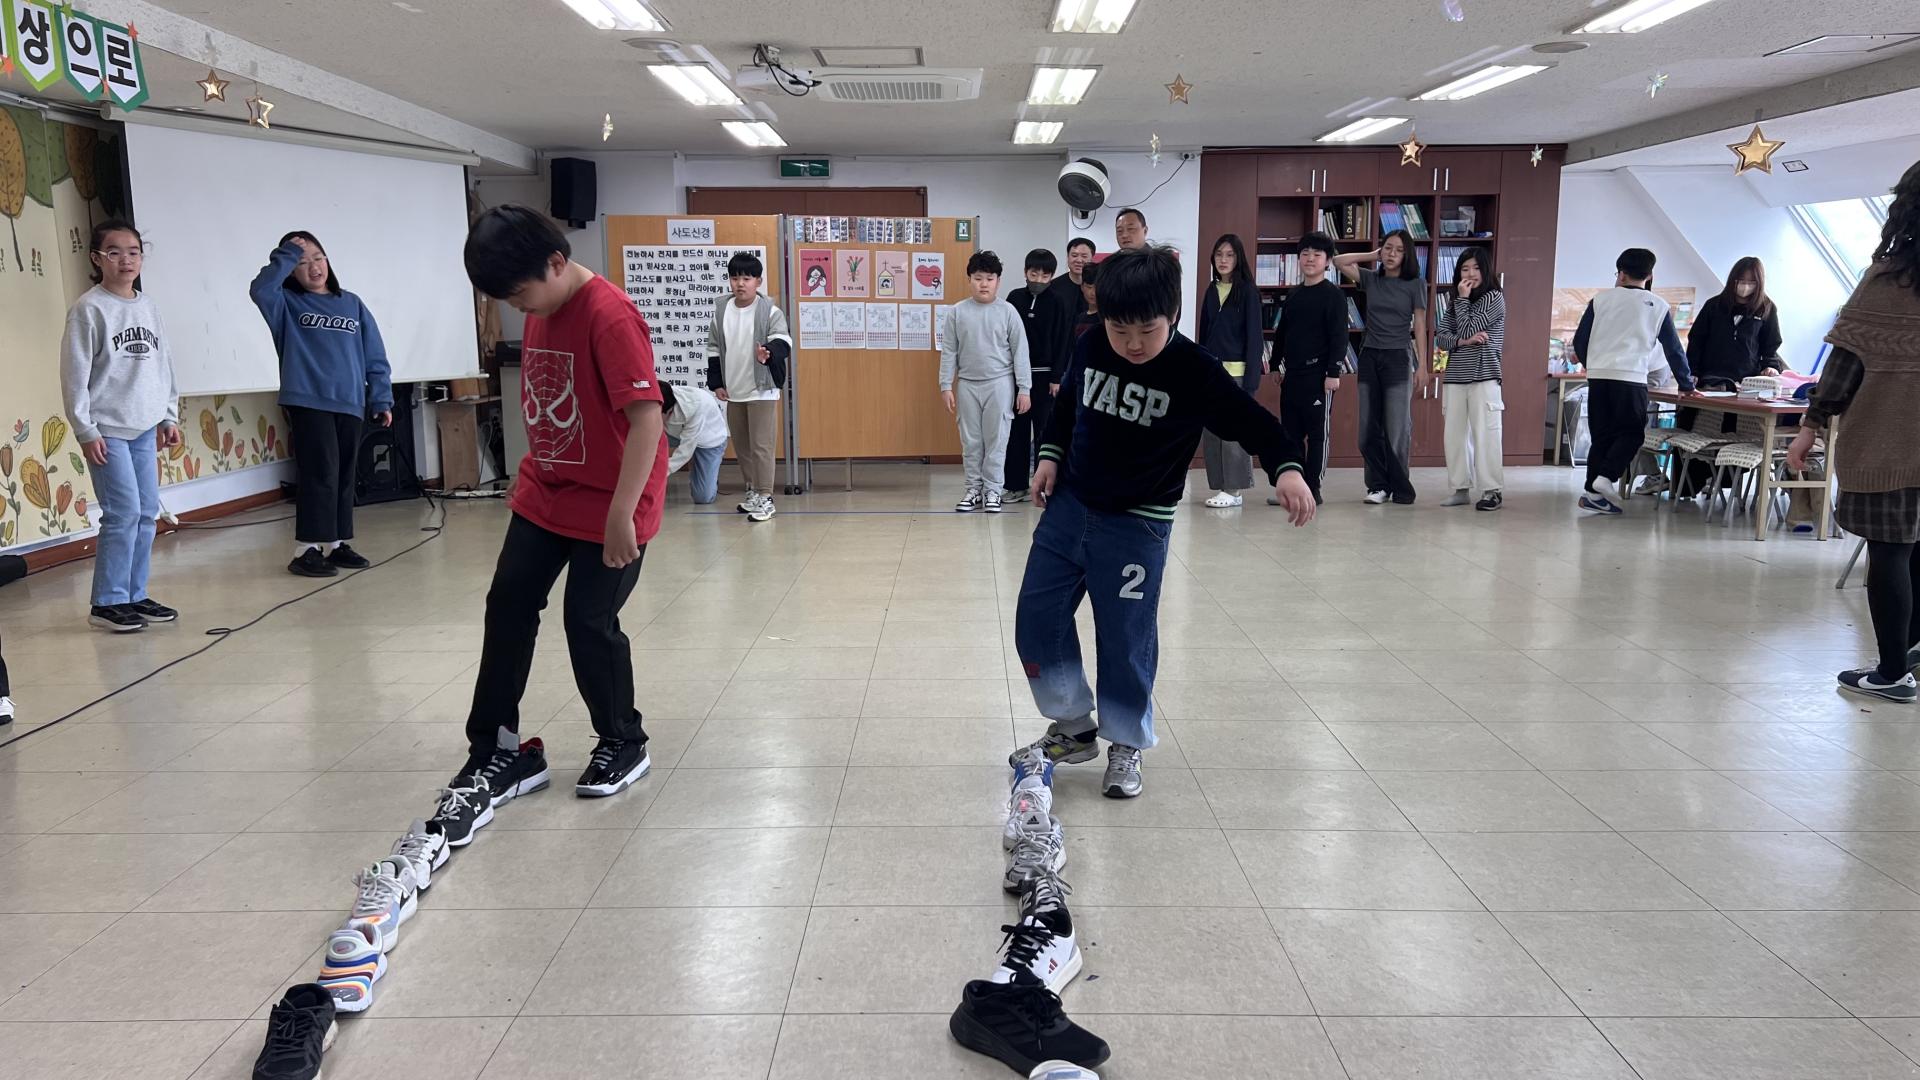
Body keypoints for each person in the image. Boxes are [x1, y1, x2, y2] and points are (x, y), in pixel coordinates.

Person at [1011, 244, 1315, 799]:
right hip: (1069, 509)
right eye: (1119, 329)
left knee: (1125, 638)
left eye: (1146, 331)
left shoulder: (1195, 370)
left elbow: (1252, 421)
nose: (1132, 344)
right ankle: (1074, 727)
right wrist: (1050, 456)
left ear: (1172, 314)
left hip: (1137, 526)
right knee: (1036, 618)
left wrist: (1287, 468)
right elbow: (1068, 407)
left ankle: (1126, 740)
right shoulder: (1091, 344)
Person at [438, 205, 667, 836]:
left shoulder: (609, 315)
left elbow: (647, 420)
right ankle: (498, 748)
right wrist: (532, 468)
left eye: (519, 294)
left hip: (613, 500)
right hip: (549, 491)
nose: (518, 308)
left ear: (557, 263)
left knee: (587, 620)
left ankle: (623, 740)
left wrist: (622, 514)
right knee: (508, 604)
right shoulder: (541, 304)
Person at [1786, 161, 1920, 703]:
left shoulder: (1887, 282)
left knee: (1890, 553)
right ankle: (1910, 651)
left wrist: (1811, 426)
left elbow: (1844, 366)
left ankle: (1892, 673)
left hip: (1889, 442)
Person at [60, 220, 183, 633]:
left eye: (133, 252)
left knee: (146, 512)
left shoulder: (149, 307)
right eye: (114, 252)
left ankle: (134, 593)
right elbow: (74, 375)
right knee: (123, 512)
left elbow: (164, 365)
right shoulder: (89, 309)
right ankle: (107, 602)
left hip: (145, 425)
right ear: (97, 259)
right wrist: (85, 429)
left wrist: (168, 414)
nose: (126, 260)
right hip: (107, 429)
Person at [250, 231, 393, 578]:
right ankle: (307, 549)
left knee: (343, 474)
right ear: (290, 270)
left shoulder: (352, 303)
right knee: (320, 472)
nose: (313, 267)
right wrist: (287, 253)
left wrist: (381, 397)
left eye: (318, 258)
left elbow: (374, 355)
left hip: (350, 402)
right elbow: (260, 289)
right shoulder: (286, 303)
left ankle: (336, 543)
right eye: (302, 262)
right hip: (308, 399)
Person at [1569, 247, 1700, 515]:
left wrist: (1592, 365)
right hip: (1631, 378)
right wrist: (1687, 385)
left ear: (1621, 273)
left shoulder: (1600, 300)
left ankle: (1593, 494)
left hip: (1599, 377)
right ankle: (1606, 476)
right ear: (1649, 276)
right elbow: (1674, 350)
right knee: (1632, 433)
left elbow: (1580, 341)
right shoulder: (1657, 305)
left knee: (1602, 436)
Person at [1335, 230, 1426, 505]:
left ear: (1407, 255)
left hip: (1398, 358)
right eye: (1387, 248)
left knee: (1397, 427)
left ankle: (1400, 487)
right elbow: (1338, 261)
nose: (1391, 254)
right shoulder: (1371, 279)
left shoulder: (1415, 284)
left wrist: (1423, 366)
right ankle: (1377, 486)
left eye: (1398, 250)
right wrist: (1371, 255)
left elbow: (1420, 325)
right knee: (1367, 428)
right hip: (1370, 356)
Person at [939, 250, 1032, 513]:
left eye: (989, 279)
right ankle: (973, 489)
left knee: (997, 440)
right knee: (971, 442)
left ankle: (993, 490)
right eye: (978, 278)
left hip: (999, 383)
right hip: (967, 384)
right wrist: (945, 385)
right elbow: (949, 351)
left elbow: (1020, 351)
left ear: (998, 281)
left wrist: (1024, 388)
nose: (984, 284)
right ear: (969, 279)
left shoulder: (1008, 312)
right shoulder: (957, 312)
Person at [705, 251, 792, 523]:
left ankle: (766, 497)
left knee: (761, 446)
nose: (740, 283)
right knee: (742, 446)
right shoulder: (721, 311)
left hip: (762, 389)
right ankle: (753, 491)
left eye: (746, 278)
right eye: (734, 278)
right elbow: (714, 348)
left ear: (758, 281)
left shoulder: (770, 311)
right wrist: (716, 383)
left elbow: (783, 341)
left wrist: (769, 352)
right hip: (734, 390)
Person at [1272, 232, 1346, 504]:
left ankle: (1313, 488)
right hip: (1292, 376)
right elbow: (1282, 333)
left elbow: (1339, 337)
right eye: (1305, 254)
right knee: (1290, 435)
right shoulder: (1294, 295)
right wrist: (1274, 364)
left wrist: (1333, 373)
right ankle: (1294, 488)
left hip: (1319, 377)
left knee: (1317, 436)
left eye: (1317, 254)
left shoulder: (1334, 296)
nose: (1310, 259)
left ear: (1327, 261)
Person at [1434, 247, 1507, 512]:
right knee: (1454, 435)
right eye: (1465, 269)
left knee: (1486, 433)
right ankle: (1460, 488)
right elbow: (1441, 338)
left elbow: (1467, 327)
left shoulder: (1494, 297)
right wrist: (1464, 342)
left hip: (1484, 375)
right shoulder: (1456, 302)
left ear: (1486, 270)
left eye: (1476, 268)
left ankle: (1492, 491)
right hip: (1455, 376)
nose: (1470, 274)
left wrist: (1463, 303)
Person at [1196, 233, 1266, 507]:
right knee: (1213, 433)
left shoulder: (1247, 291)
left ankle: (1234, 490)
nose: (1223, 260)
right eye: (1219, 254)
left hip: (1237, 374)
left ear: (1238, 259)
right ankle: (1220, 486)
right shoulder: (1211, 290)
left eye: (1229, 255)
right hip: (1211, 373)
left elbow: (1255, 338)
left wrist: (1251, 382)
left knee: (1233, 433)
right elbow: (1203, 335)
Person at [1005, 249, 1074, 504]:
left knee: (1045, 432)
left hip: (1046, 378)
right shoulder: (1014, 298)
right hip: (1016, 377)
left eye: (1045, 276)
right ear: (1025, 272)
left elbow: (1063, 341)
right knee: (1017, 433)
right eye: (1034, 274)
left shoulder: (1058, 301)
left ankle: (1045, 486)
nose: (1038, 279)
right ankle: (1016, 486)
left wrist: (1057, 377)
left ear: (1052, 276)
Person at [661, 382, 730, 505]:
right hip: (674, 434)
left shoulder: (696, 405)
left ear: (668, 411)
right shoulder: (661, 396)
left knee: (703, 498)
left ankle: (710, 476)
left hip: (707, 441)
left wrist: (660, 473)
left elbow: (685, 452)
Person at [1048, 237, 1096, 320]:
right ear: (1068, 257)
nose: (1079, 260)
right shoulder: (1053, 287)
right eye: (1074, 255)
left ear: (1092, 258)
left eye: (1084, 256)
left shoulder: (1100, 286)